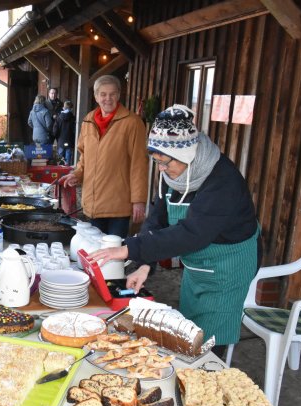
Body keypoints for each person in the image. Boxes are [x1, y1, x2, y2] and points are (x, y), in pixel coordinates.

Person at [89, 104, 261, 357]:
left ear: (187, 155)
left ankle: (210, 377)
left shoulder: (224, 181)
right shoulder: (175, 173)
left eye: (163, 162)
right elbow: (158, 217)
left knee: (209, 342)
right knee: (189, 330)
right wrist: (144, 263)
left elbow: (191, 233)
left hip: (228, 268)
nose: (160, 169)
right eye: (156, 161)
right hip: (199, 266)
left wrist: (128, 249)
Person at [58, 75, 148, 238]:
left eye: (112, 94)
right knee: (93, 252)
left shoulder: (132, 123)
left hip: (118, 205)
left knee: (113, 257)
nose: (108, 98)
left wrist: (139, 201)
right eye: (103, 94)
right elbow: (84, 156)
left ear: (119, 95)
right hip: (92, 204)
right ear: (96, 96)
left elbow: (139, 163)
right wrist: (77, 174)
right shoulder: (88, 121)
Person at [53, 100, 76, 165]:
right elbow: (74, 129)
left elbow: (55, 130)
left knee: (60, 158)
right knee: (68, 159)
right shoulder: (73, 118)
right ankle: (67, 171)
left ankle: (59, 171)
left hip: (61, 140)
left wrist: (55, 136)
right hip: (69, 140)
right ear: (71, 108)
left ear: (63, 107)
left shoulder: (59, 117)